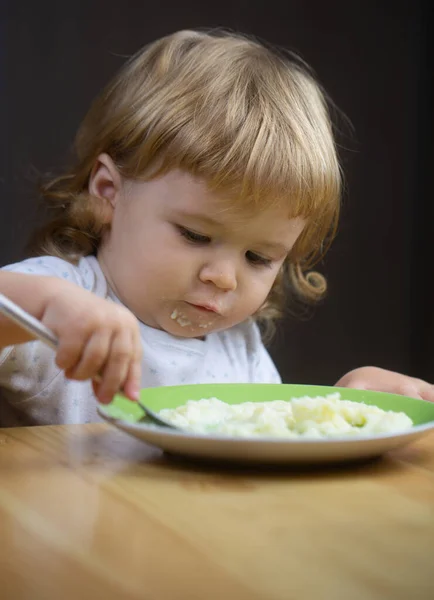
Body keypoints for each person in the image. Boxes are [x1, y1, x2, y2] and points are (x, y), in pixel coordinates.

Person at [0, 29, 431, 427]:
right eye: (195, 235)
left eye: (258, 257)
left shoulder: (237, 348)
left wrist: (343, 413)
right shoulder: (67, 297)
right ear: (109, 191)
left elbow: (263, 450)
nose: (223, 277)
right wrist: (44, 307)